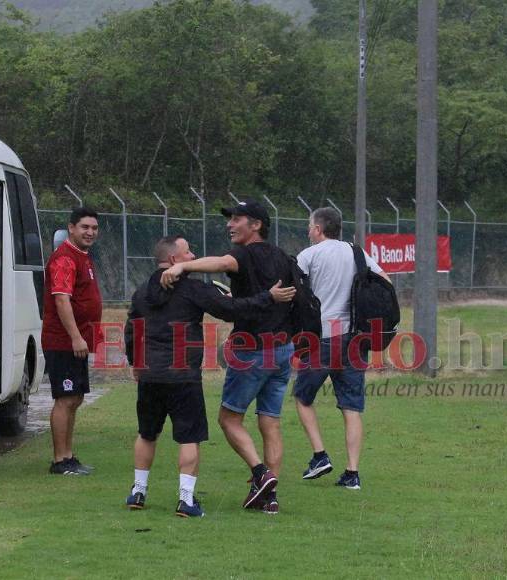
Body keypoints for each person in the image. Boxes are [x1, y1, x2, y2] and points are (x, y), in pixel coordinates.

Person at [124, 235, 296, 518]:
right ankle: (185, 500)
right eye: (188, 252)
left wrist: (135, 362)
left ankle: (138, 492)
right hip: (183, 378)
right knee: (188, 438)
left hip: (149, 375)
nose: (193, 257)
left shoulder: (141, 291)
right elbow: (231, 311)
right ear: (173, 261)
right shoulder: (192, 288)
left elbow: (132, 329)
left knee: (146, 433)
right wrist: (269, 297)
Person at [293, 207, 390, 490]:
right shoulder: (356, 252)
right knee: (351, 408)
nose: (309, 231)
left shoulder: (309, 254)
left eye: (310, 226)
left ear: (319, 229)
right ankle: (352, 473)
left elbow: (293, 287)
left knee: (302, 397)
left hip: (322, 337)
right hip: (355, 338)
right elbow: (385, 281)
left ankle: (320, 455)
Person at [41, 207, 103, 476]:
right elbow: (61, 299)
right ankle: (59, 461)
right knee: (65, 399)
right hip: (63, 342)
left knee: (75, 398)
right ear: (71, 228)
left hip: (77, 342)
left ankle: (68, 456)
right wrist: (76, 337)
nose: (89, 232)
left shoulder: (83, 257)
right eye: (84, 227)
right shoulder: (65, 259)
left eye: (94, 228)